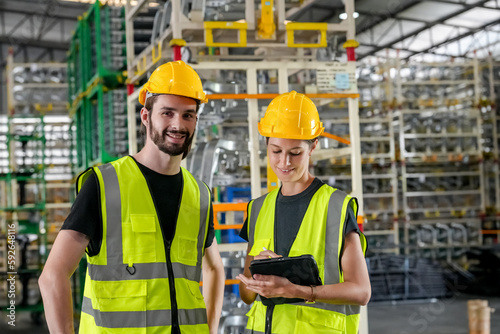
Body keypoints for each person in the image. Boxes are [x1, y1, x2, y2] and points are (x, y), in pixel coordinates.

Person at [39, 61, 225, 334]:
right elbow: (52, 276)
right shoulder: (104, 184)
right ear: (146, 116)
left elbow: (214, 270)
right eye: (167, 113)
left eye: (188, 115)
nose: (178, 124)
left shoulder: (199, 194)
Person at [237, 91, 371, 334]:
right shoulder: (258, 208)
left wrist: (298, 291)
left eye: (295, 153)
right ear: (266, 143)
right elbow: (246, 295)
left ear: (313, 146)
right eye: (276, 151)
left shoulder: (335, 206)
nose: (284, 162)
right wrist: (258, 275)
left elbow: (361, 292)